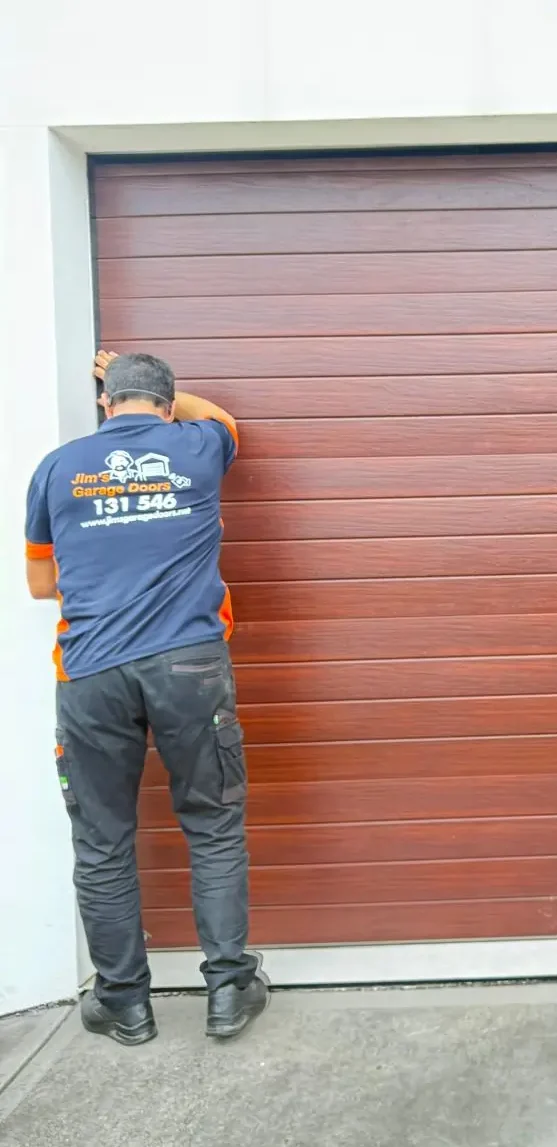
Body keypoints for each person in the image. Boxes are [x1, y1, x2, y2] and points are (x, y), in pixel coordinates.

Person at [24, 350, 269, 1046]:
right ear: (166, 403)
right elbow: (222, 419)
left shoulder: (56, 467)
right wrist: (163, 396)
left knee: (101, 842)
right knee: (213, 824)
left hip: (92, 673)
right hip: (191, 666)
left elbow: (42, 585)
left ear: (105, 404)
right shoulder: (196, 445)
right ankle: (227, 992)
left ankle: (124, 1004)